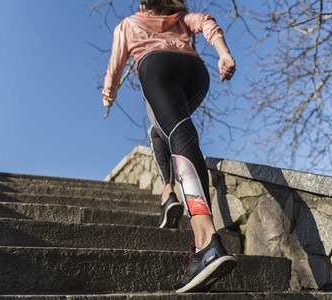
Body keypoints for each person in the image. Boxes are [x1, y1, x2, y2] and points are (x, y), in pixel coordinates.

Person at [101, 0, 237, 293]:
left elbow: (116, 64)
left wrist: (108, 95)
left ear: (142, 3)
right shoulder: (181, 19)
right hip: (195, 72)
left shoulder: (127, 25)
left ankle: (206, 242)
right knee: (163, 128)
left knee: (176, 131)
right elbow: (206, 21)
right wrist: (223, 53)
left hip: (156, 66)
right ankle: (168, 196)